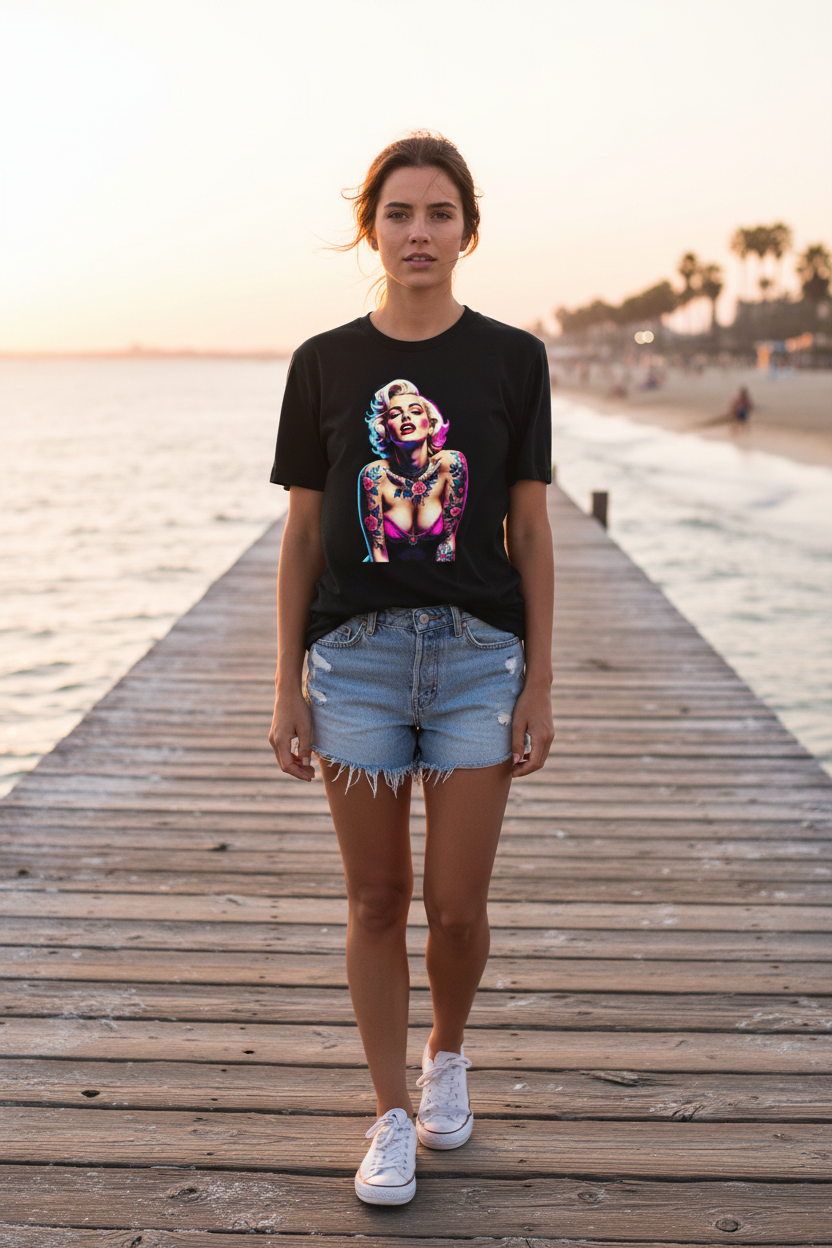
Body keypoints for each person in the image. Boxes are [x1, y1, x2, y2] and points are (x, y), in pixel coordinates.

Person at [268, 132, 555, 1207]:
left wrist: (540, 680)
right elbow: (301, 539)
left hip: (484, 661)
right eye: (398, 212)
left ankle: (446, 1054)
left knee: (458, 907)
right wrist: (285, 684)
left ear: (466, 231)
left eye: (439, 213)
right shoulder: (323, 363)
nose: (418, 231)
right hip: (355, 665)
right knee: (376, 897)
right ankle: (390, 1112)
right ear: (370, 229)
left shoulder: (512, 360)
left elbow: (530, 529)